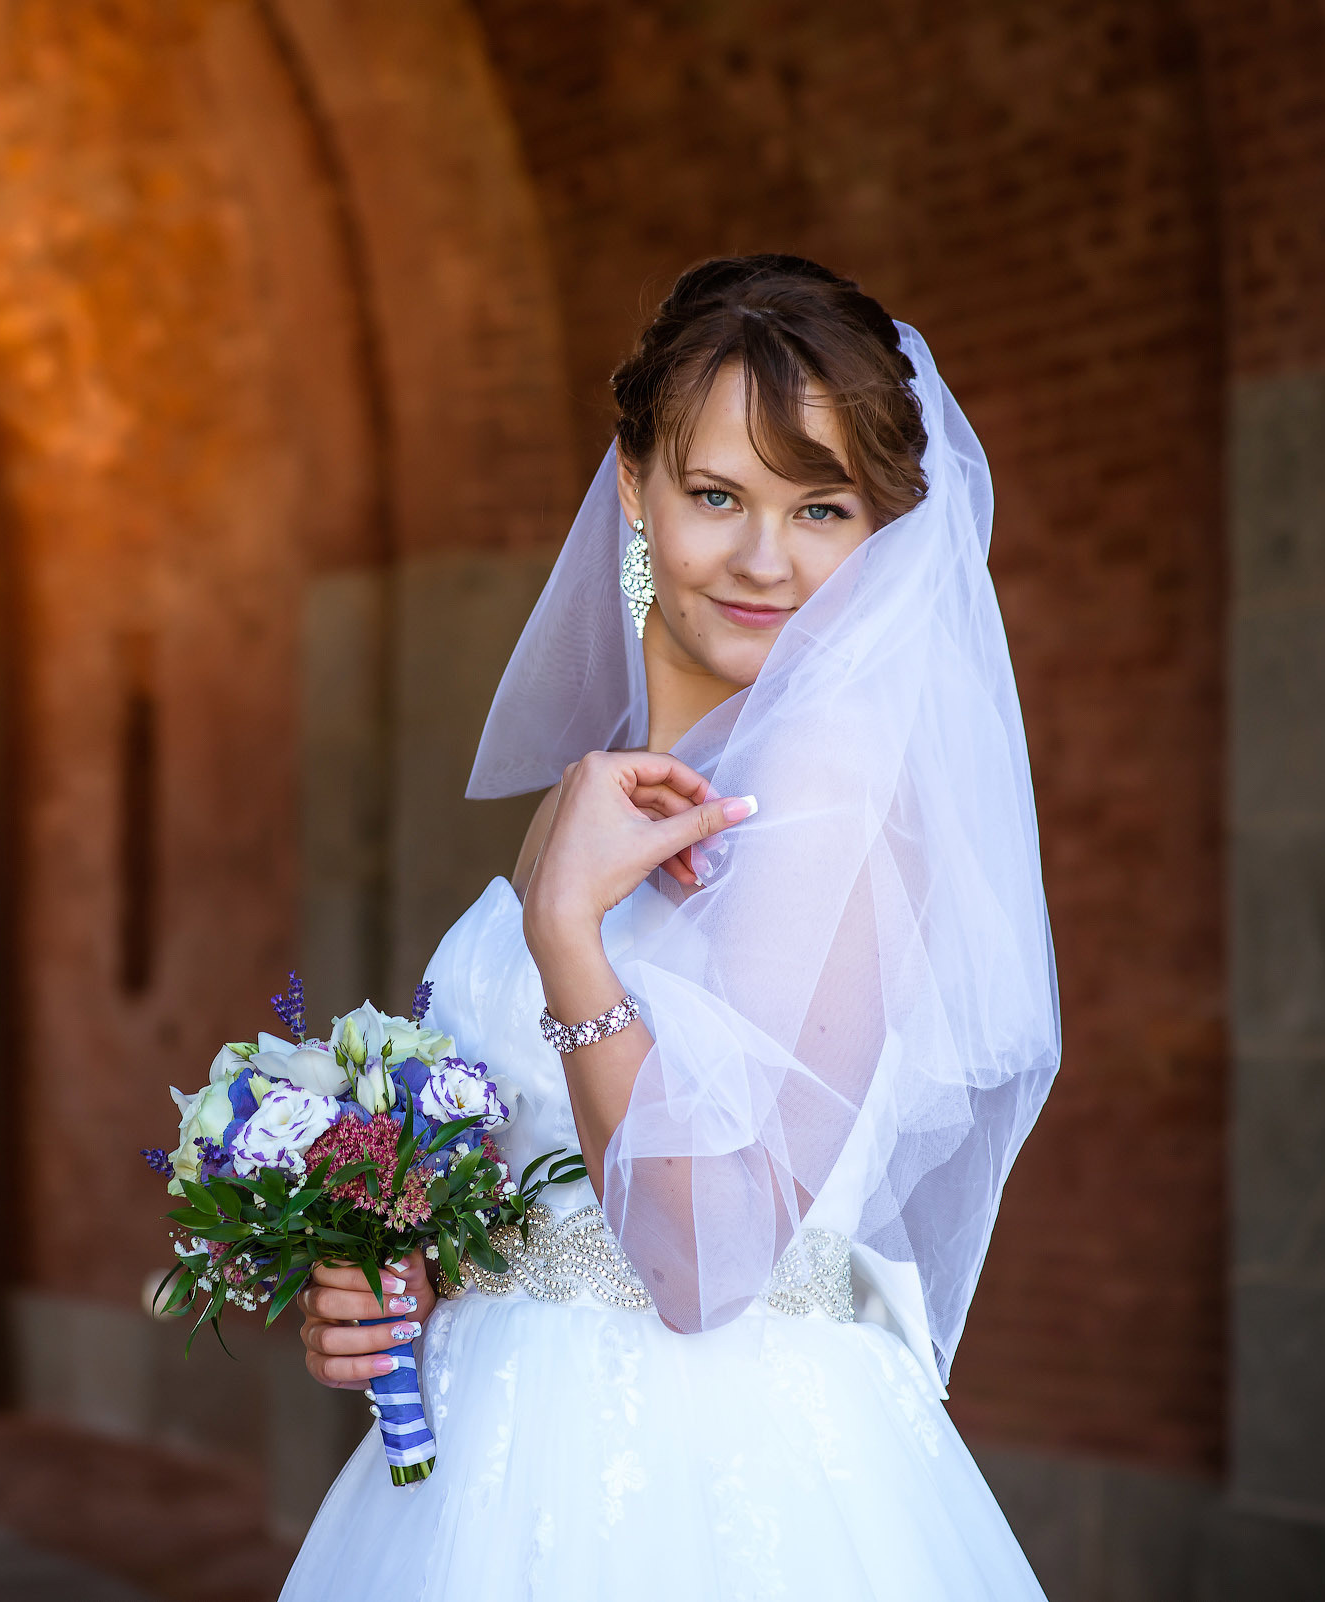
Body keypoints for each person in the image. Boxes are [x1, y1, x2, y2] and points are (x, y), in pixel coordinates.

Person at [284, 255, 1060, 1598]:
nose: (765, 558)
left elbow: (704, 1262)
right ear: (634, 484)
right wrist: (392, 1272)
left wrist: (565, 931)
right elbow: (539, 1177)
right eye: (717, 495)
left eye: (822, 508)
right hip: (481, 1470)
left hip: (711, 1485)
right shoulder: (601, 795)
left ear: (881, 533)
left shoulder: (837, 794)